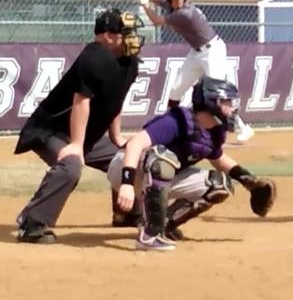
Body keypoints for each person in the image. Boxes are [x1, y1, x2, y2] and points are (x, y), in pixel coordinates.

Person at [13, 9, 145, 244]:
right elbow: (81, 101)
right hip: (50, 130)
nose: (130, 38)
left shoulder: (129, 62)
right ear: (105, 35)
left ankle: (127, 213)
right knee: (70, 167)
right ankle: (32, 223)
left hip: (84, 135)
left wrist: (117, 138)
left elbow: (116, 100)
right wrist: (76, 145)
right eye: (123, 33)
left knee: (129, 157)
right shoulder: (93, 57)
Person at [107, 77, 277, 251]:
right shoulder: (178, 120)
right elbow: (135, 144)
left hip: (156, 174)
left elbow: (219, 159)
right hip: (125, 168)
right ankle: (150, 236)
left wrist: (249, 181)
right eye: (226, 101)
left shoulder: (213, 132)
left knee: (219, 184)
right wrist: (127, 183)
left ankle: (163, 224)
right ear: (212, 102)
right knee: (163, 159)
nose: (232, 108)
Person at [138, 0, 255, 143]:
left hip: (213, 52)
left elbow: (157, 20)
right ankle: (171, 126)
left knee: (217, 95)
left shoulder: (184, 13)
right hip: (196, 53)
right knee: (175, 90)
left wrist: (144, 5)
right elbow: (160, 1)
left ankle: (242, 127)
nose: (178, 0)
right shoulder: (177, 8)